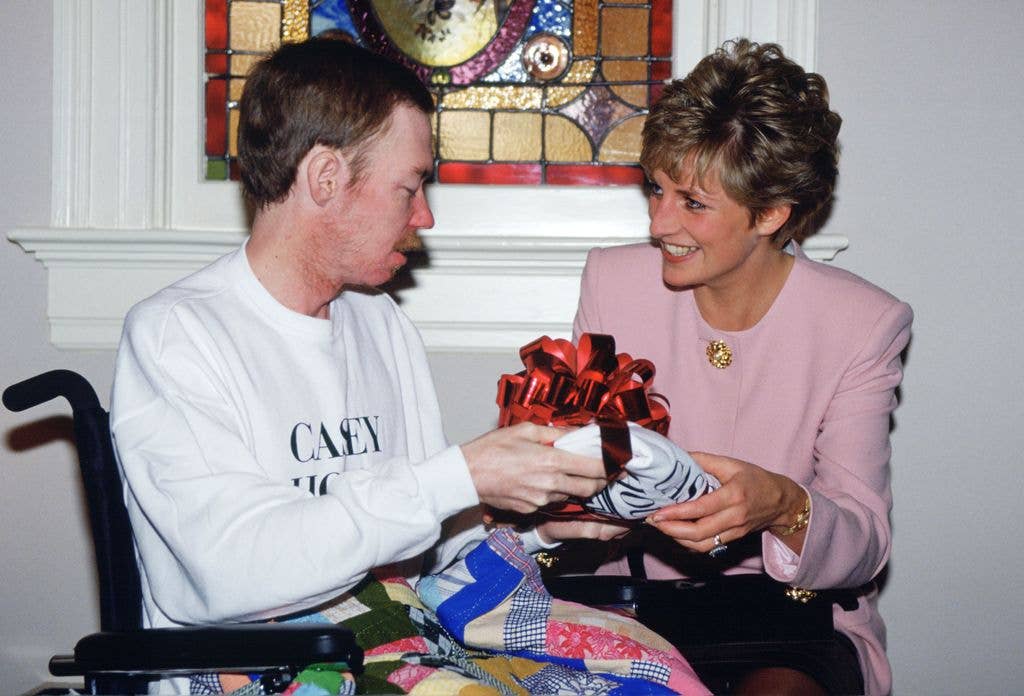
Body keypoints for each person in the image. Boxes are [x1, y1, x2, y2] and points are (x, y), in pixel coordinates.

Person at [109, 38, 612, 685]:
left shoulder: (380, 323)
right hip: (252, 666)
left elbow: (421, 550)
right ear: (325, 177)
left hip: (396, 636)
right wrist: (458, 475)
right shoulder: (177, 334)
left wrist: (545, 527)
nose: (424, 216)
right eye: (409, 187)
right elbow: (232, 573)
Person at [570, 39, 912, 695]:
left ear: (771, 213)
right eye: (656, 189)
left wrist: (783, 505)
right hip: (634, 613)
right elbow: (582, 474)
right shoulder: (612, 283)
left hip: (790, 622)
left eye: (693, 202)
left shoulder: (863, 323)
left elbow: (865, 543)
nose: (659, 221)